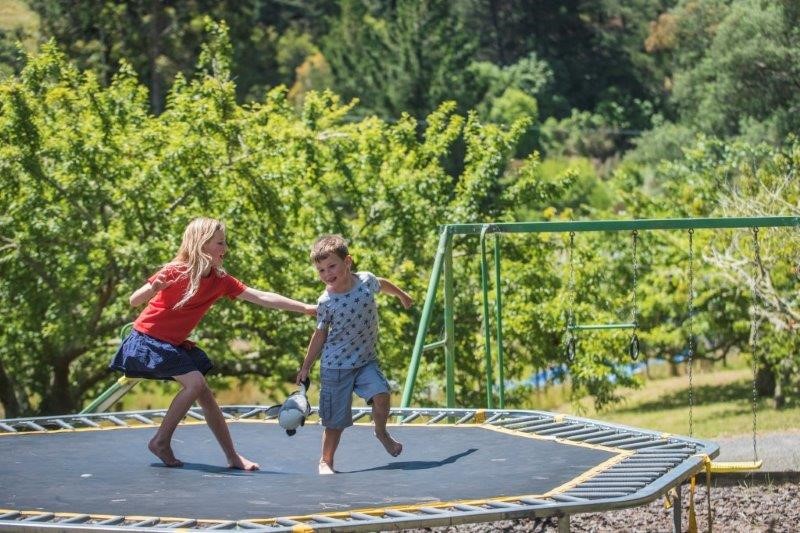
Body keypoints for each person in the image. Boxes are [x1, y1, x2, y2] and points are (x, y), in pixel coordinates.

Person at [109, 217, 316, 471]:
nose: (225, 249)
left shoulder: (220, 280)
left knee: (204, 393)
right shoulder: (175, 271)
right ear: (202, 244)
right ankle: (161, 441)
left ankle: (232, 456)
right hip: (148, 341)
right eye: (220, 243)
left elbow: (261, 296)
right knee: (195, 383)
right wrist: (154, 288)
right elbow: (133, 301)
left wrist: (306, 308)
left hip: (172, 344)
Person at [296, 234, 413, 475]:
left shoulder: (366, 281)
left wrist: (402, 295)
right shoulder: (326, 301)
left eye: (332, 266)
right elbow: (319, 335)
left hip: (365, 361)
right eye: (321, 270)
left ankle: (381, 431)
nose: (327, 274)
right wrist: (306, 366)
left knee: (382, 394)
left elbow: (382, 282)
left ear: (347, 262)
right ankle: (326, 461)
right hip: (336, 366)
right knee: (335, 422)